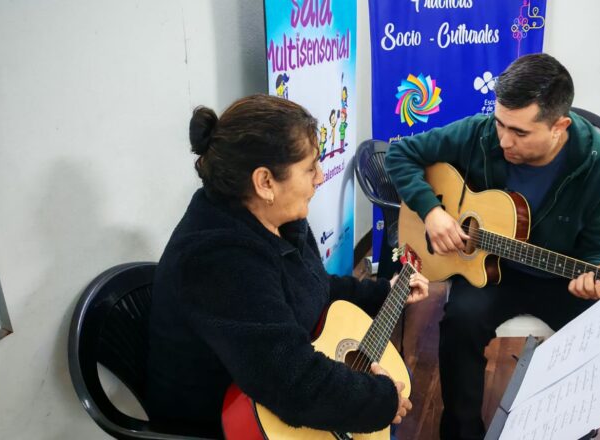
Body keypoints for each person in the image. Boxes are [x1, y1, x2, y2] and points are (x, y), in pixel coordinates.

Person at [145, 94, 429, 438]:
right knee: (392, 397)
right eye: (310, 168)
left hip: (266, 394)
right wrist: (378, 400)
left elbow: (313, 286)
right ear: (265, 182)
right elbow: (291, 381)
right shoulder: (219, 259)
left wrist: (384, 291)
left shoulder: (274, 219)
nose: (321, 177)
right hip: (224, 423)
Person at [385, 53, 600, 440]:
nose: (503, 139)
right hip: (489, 271)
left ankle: (572, 429)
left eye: (519, 132)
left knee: (595, 336)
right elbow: (400, 154)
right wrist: (431, 211)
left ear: (559, 126)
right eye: (500, 123)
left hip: (558, 279)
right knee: (459, 323)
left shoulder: (599, 169)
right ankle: (462, 432)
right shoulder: (480, 134)